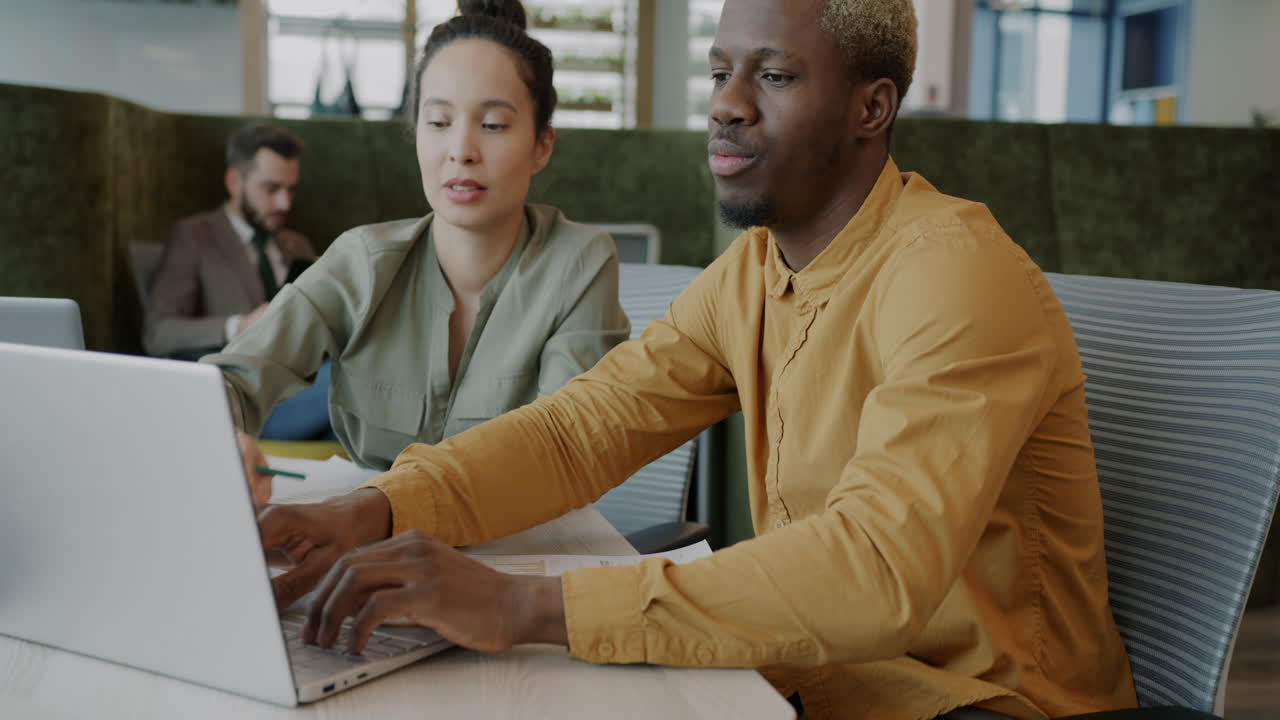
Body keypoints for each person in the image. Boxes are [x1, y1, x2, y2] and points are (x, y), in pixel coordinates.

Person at [255, 0, 1138, 718]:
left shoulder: (952, 270)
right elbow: (583, 430)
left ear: (873, 107)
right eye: (721, 72)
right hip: (802, 681)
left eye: (776, 76)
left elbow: (875, 570)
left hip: (973, 703)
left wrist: (517, 604)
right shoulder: (755, 270)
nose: (728, 102)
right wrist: (378, 507)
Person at [202, 0, 629, 503]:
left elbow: (558, 444)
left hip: (516, 549)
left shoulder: (580, 261)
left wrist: (389, 507)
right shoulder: (361, 260)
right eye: (439, 122)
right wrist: (219, 433)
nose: (461, 150)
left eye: (492, 124)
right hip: (366, 546)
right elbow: (232, 380)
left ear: (542, 145)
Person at [146, 123, 330, 441]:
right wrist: (240, 325)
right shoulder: (194, 237)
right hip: (246, 398)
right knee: (351, 383)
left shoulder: (296, 245)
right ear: (234, 181)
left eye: (291, 189)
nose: (285, 204)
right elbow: (158, 332)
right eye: (271, 189)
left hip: (303, 384)